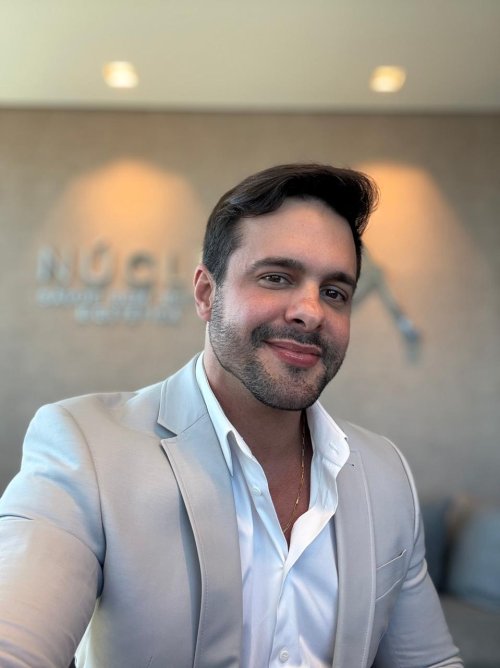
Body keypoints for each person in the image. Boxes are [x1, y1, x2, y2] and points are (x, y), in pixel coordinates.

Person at [0, 163, 462, 667]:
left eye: (334, 292)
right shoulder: (84, 449)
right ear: (206, 293)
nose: (311, 311)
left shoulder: (386, 473)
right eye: (276, 277)